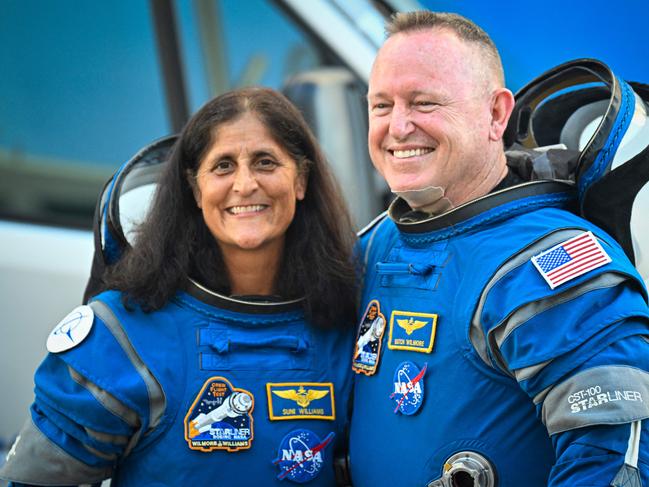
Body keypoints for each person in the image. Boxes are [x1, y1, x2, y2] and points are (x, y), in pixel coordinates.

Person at [348, 11, 649, 486]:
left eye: (423, 102)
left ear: (495, 114)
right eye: (381, 106)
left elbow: (614, 464)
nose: (398, 126)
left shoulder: (556, 263)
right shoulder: (378, 242)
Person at [0, 87, 357, 486]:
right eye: (223, 166)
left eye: (265, 162)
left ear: (301, 180)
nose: (244, 184)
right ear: (195, 189)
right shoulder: (123, 335)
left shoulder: (342, 328)